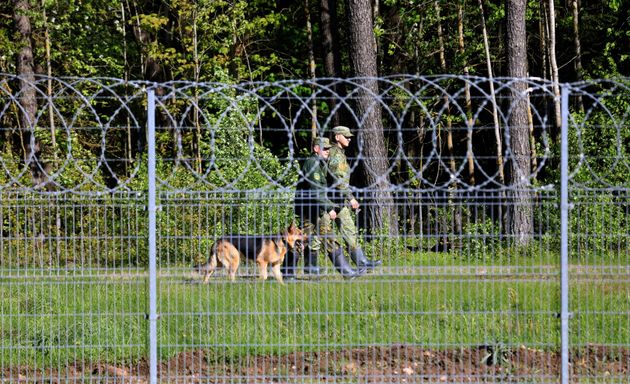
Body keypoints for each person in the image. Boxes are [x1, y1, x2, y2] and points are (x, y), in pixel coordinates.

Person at [282, 137, 364, 279]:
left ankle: (289, 273)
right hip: (310, 210)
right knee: (322, 239)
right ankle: (346, 273)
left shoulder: (319, 163)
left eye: (328, 148)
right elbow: (316, 190)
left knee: (305, 239)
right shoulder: (312, 164)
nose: (327, 151)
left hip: (314, 210)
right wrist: (329, 207)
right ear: (316, 149)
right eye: (324, 148)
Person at [327, 126, 382, 269]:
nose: (349, 139)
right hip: (329, 201)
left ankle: (361, 263)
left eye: (350, 136)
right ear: (337, 137)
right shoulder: (335, 154)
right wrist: (351, 197)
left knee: (350, 230)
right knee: (317, 236)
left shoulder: (339, 153)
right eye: (346, 136)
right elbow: (338, 180)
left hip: (338, 201)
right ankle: (299, 268)